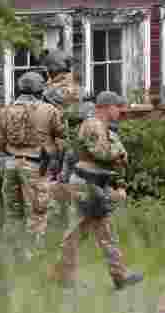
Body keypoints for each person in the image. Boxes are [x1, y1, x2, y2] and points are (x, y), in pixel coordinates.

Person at [51, 91, 143, 291]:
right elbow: (99, 152)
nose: (120, 111)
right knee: (83, 231)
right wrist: (119, 152)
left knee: (98, 230)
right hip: (87, 182)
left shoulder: (102, 127)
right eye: (117, 107)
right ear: (107, 106)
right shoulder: (93, 124)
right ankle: (65, 276)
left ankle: (117, 276)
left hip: (94, 183)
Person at [0, 71, 66, 248]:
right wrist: (54, 159)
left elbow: (0, 143)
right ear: (39, 89)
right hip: (36, 165)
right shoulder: (49, 110)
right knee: (37, 211)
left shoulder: (5, 111)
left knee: (12, 213)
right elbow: (61, 137)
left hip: (10, 164)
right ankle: (33, 254)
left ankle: (11, 254)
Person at [40, 50, 80, 226]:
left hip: (60, 144)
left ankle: (58, 223)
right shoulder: (60, 87)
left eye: (48, 69)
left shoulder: (60, 90)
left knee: (57, 185)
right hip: (61, 143)